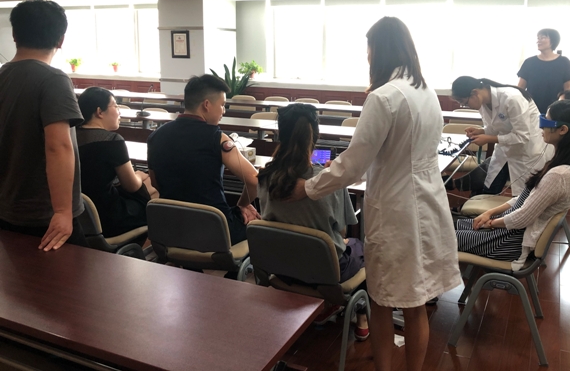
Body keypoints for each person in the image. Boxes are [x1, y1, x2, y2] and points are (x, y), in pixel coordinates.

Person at [289, 17, 461, 371]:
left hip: (396, 209)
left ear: (378, 51)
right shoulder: (426, 92)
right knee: (416, 302)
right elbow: (393, 153)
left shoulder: (384, 97)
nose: (367, 57)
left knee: (381, 299)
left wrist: (308, 187)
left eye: (368, 50)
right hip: (428, 203)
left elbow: (353, 165)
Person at [257, 103, 369, 339]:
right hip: (326, 273)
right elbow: (342, 229)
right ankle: (361, 316)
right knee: (361, 246)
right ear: (315, 137)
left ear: (280, 134)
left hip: (281, 268)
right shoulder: (328, 182)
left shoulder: (265, 177)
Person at [455, 100, 570, 270]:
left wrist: (490, 224)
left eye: (546, 122)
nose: (541, 127)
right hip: (505, 231)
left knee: (435, 236)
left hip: (507, 242)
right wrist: (490, 213)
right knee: (447, 225)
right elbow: (525, 199)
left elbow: (521, 218)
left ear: (563, 129)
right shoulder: (562, 165)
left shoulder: (559, 175)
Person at [0, 0, 86, 251]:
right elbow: (58, 146)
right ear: (61, 40)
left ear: (14, 35)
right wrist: (62, 211)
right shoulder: (53, 79)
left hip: (7, 206)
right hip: (44, 214)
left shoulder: (2, 76)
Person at [147, 75, 260, 245]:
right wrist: (242, 205)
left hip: (172, 229)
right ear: (207, 105)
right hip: (215, 231)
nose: (224, 111)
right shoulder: (217, 138)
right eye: (222, 105)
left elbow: (155, 183)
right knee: (257, 224)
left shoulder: (155, 136)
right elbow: (254, 180)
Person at [451, 76, 553, 196]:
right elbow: (494, 128)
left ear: (475, 92)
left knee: (523, 196)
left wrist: (488, 139)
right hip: (505, 149)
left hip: (527, 151)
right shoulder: (482, 103)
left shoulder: (512, 98)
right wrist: (481, 131)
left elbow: (522, 136)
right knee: (490, 186)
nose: (466, 106)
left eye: (465, 103)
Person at [77, 87, 157, 238]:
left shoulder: (70, 136)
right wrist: (139, 175)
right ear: (99, 112)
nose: (119, 112)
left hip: (78, 214)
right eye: (115, 106)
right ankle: (155, 246)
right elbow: (132, 186)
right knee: (153, 187)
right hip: (108, 217)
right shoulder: (112, 141)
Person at [517, 28, 570, 113]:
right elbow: (520, 88)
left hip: (556, 111)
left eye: (543, 38)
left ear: (553, 40)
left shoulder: (564, 62)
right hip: (532, 109)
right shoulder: (529, 62)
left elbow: (568, 89)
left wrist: (565, 108)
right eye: (538, 38)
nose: (539, 41)